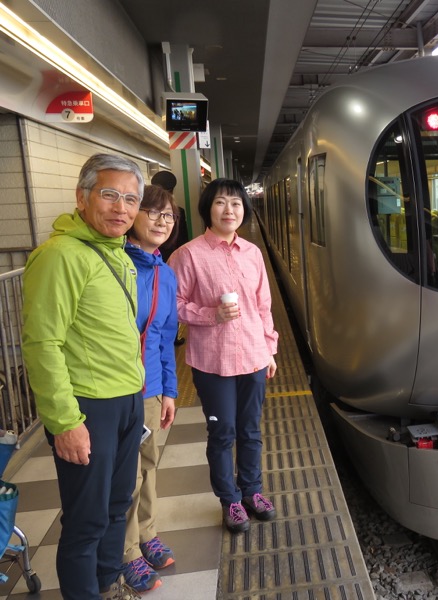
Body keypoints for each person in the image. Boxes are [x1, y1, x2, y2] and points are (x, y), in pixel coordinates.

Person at [22, 153, 145, 600]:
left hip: (127, 400)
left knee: (116, 508)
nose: (122, 208)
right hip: (88, 408)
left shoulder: (117, 254)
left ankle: (108, 585)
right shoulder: (59, 256)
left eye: (131, 199)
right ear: (82, 196)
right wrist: (65, 421)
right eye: (109, 194)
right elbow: (41, 344)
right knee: (86, 519)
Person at [168, 178, 279, 533]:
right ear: (207, 209)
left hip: (254, 356)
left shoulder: (253, 253)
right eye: (220, 203)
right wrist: (210, 314)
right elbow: (175, 305)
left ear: (244, 210)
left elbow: (263, 305)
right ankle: (229, 500)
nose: (229, 210)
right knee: (223, 433)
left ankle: (252, 491)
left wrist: (270, 349)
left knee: (250, 429)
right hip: (212, 362)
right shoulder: (187, 255)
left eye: (235, 203)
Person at [121, 185, 179, 592]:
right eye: (153, 212)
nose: (161, 221)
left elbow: (165, 336)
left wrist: (171, 392)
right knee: (127, 477)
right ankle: (126, 553)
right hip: (120, 391)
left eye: (168, 216)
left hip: (154, 388)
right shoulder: (117, 263)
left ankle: (147, 534)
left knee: (149, 468)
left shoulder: (165, 272)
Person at [151, 170, 188, 346]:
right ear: (173, 190)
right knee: (171, 300)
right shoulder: (178, 211)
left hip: (150, 262)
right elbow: (183, 241)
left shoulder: (142, 211)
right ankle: (172, 336)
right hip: (171, 265)